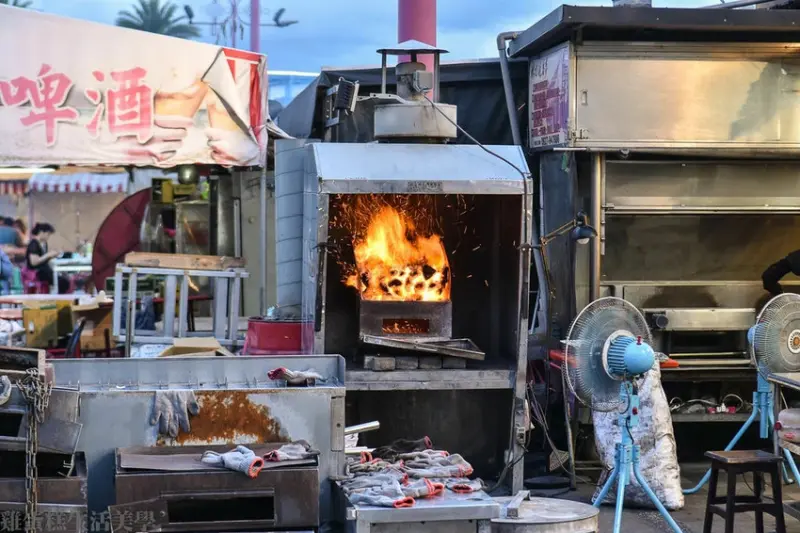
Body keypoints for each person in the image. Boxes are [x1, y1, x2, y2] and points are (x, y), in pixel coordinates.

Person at [26, 223, 68, 294]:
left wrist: (52, 255)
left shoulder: (43, 244)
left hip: (45, 271)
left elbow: (43, 258)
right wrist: (48, 255)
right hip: (38, 273)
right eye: (48, 234)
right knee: (63, 282)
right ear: (41, 232)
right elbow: (34, 262)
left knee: (64, 279)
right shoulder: (33, 244)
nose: (48, 237)